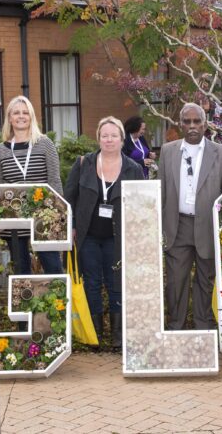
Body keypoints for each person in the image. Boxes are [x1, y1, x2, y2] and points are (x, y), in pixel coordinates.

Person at [64, 116, 142, 349]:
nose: (109, 140)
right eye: (104, 135)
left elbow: (140, 203)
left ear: (121, 138)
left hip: (117, 236)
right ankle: (95, 333)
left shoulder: (133, 168)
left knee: (116, 281)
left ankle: (118, 335)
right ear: (98, 138)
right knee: (92, 282)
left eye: (113, 135)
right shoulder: (83, 164)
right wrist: (73, 225)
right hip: (88, 235)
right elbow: (69, 197)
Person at [160, 103, 222, 330]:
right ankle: (176, 327)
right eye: (187, 121)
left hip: (209, 226)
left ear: (205, 124)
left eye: (197, 121)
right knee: (176, 282)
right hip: (177, 225)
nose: (192, 126)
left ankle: (203, 328)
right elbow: (161, 189)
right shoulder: (168, 151)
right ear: (180, 124)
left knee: (205, 281)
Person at [0, 96, 64, 275]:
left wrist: (59, 213)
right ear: (10, 118)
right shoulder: (1, 150)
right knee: (20, 271)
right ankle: (23, 303)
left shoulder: (44, 144)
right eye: (16, 113)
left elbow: (54, 180)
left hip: (43, 216)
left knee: (53, 267)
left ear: (31, 117)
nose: (21, 116)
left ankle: (57, 302)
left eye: (25, 112)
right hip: (13, 219)